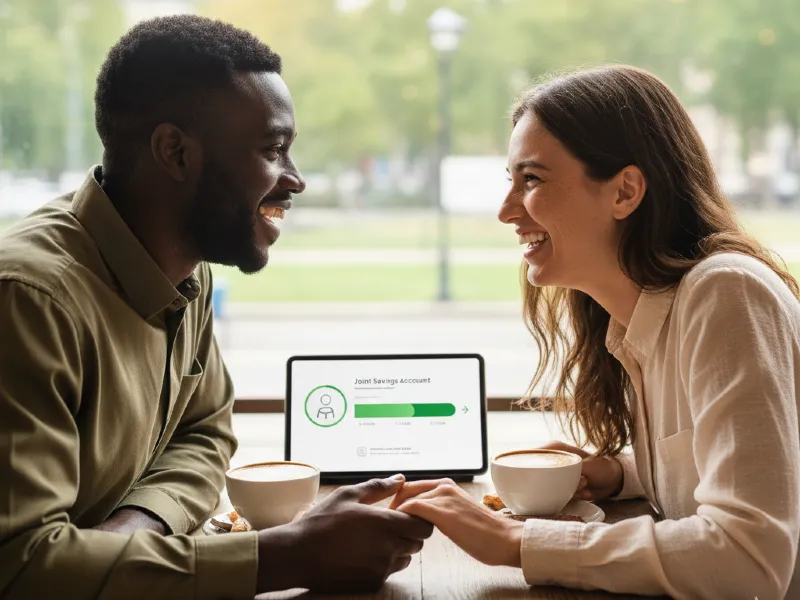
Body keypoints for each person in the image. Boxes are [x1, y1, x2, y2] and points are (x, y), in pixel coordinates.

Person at [0, 15, 431, 599]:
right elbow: (23, 566)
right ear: (174, 152)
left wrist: (132, 538)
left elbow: (204, 433)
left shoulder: (181, 260)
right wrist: (291, 554)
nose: (295, 180)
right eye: (273, 149)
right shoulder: (28, 300)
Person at [391, 65, 800, 599]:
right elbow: (744, 461)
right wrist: (620, 472)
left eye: (531, 179)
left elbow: (747, 559)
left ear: (625, 192)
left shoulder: (727, 294)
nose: (505, 210)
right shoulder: (635, 323)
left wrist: (516, 542)